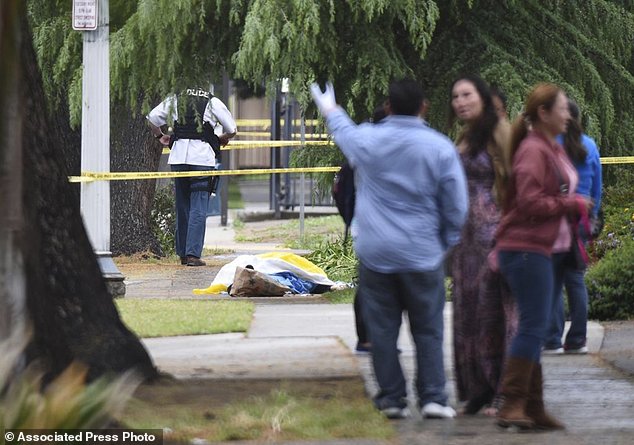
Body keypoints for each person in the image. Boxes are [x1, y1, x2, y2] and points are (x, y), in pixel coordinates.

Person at [311, 79, 468, 419]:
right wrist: (446, 243)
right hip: (424, 253)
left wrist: (328, 107)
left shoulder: (368, 140)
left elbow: (343, 130)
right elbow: (456, 205)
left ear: (388, 107)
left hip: (377, 253)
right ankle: (434, 397)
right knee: (428, 329)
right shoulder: (440, 147)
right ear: (424, 107)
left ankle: (392, 398)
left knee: (382, 330)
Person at [494, 83, 592, 430]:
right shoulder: (534, 150)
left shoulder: (549, 147)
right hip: (525, 248)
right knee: (533, 325)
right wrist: (574, 203)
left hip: (545, 248)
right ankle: (512, 403)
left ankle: (532, 407)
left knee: (534, 326)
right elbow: (530, 201)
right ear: (543, 113)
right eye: (563, 108)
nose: (568, 115)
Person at [448, 76, 516, 416]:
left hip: (497, 236)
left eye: (467, 94)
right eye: (455, 96)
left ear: (483, 98)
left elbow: (519, 184)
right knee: (469, 314)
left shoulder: (502, 132)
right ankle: (476, 390)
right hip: (466, 242)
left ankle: (506, 390)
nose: (460, 101)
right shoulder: (465, 136)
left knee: (498, 316)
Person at [147, 87, 237, 266]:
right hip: (202, 157)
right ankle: (193, 255)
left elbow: (152, 118)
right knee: (199, 204)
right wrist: (221, 139)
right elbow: (232, 128)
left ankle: (182, 252)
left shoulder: (175, 98)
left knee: (182, 203)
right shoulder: (212, 101)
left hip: (179, 157)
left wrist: (160, 136)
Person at [544, 99, 602, 354]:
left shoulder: (551, 146)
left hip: (556, 219)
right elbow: (597, 186)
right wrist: (594, 217)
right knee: (575, 279)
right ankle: (578, 339)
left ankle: (553, 338)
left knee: (553, 279)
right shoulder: (590, 145)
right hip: (582, 218)